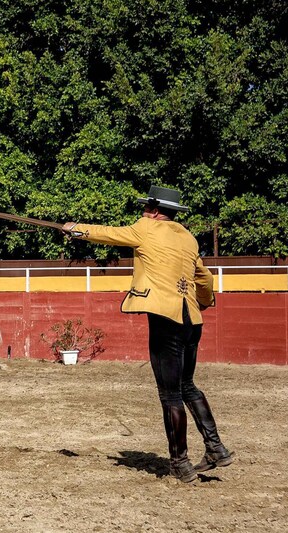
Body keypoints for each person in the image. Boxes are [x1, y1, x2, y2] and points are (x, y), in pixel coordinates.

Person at [62, 185, 233, 483]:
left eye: (145, 206)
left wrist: (77, 229)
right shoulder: (188, 238)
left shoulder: (146, 228)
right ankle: (216, 447)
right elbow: (203, 277)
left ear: (154, 209)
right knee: (187, 385)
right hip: (191, 318)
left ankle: (180, 463)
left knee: (170, 394)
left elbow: (111, 234)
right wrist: (202, 302)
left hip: (165, 317)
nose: (142, 211)